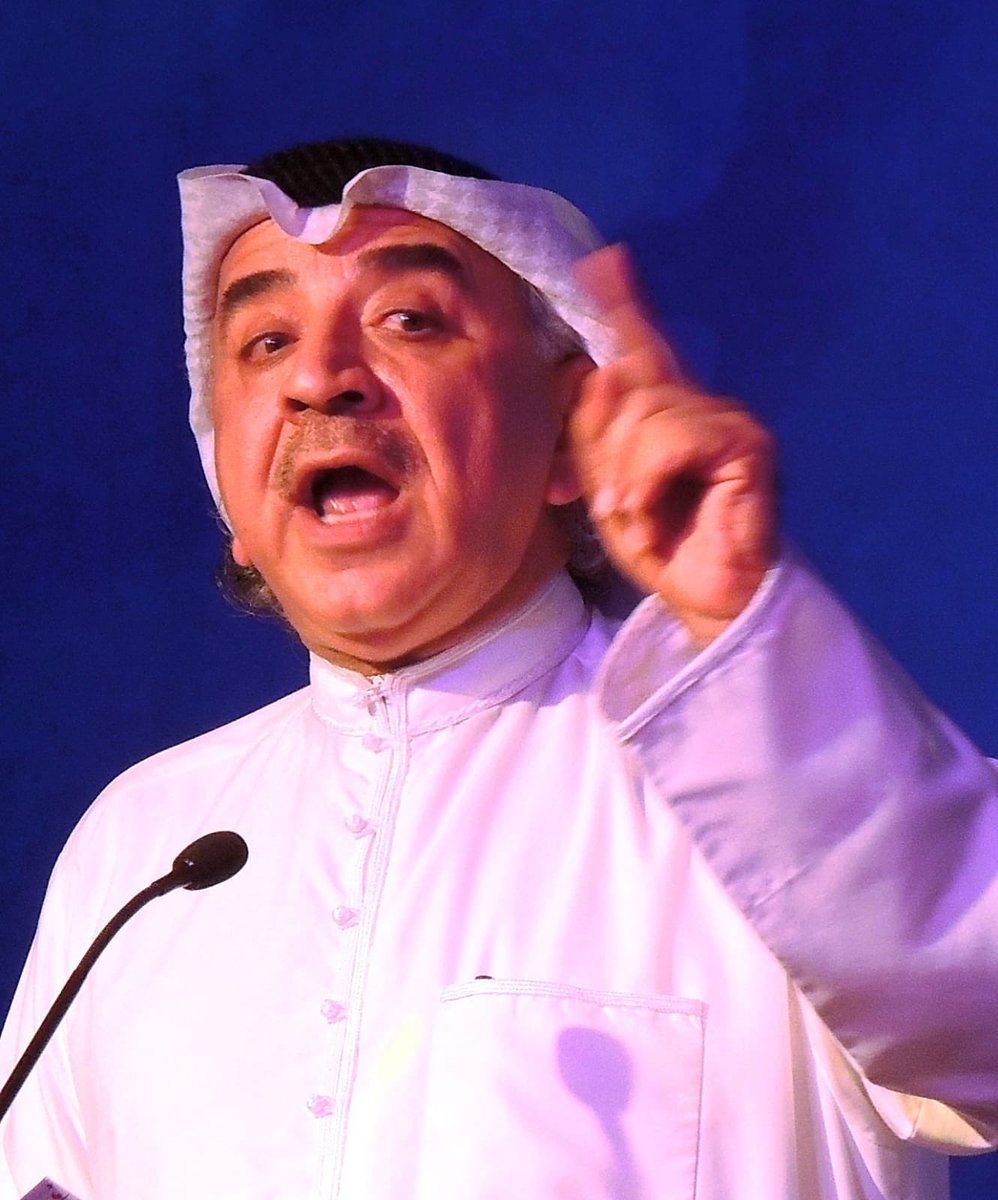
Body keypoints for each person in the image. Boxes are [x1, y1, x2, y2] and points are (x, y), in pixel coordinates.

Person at [0, 136, 995, 1200]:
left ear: (570, 433)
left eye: (408, 320)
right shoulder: (143, 845)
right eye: (267, 341)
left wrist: (749, 633)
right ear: (228, 492)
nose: (319, 380)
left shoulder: (764, 786)